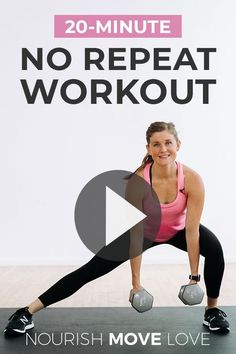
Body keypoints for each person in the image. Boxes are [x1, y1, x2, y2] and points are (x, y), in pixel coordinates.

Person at [4, 121, 230, 336]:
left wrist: (193, 278)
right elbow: (137, 234)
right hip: (144, 232)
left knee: (214, 250)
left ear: (178, 145)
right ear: (148, 148)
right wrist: (136, 284)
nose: (163, 149)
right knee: (90, 270)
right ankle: (25, 312)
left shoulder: (192, 180)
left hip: (179, 230)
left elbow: (192, 231)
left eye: (168, 142)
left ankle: (212, 311)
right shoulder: (138, 181)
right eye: (156, 144)